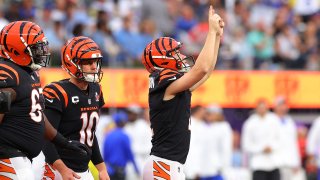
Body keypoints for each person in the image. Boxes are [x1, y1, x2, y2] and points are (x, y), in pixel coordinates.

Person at [141, 5, 224, 179]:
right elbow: (200, 69)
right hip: (162, 166)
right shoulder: (163, 83)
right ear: (163, 60)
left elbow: (207, 72)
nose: (180, 56)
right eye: (175, 53)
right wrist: (210, 32)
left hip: (168, 165)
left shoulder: (172, 85)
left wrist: (216, 36)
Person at [0, 21, 87, 179]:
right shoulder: (7, 73)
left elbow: (38, 115)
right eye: (36, 48)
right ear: (15, 50)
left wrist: (63, 142)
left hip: (22, 160)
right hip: (8, 159)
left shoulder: (29, 72)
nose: (42, 52)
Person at [41, 36, 110, 180]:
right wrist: (62, 170)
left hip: (84, 170)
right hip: (58, 169)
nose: (94, 67)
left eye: (95, 62)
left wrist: (102, 168)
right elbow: (45, 137)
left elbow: (89, 133)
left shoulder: (96, 89)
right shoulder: (58, 92)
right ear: (72, 63)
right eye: (88, 62)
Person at [242, 99, 281, 180]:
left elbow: (280, 139)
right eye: (260, 107)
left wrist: (272, 147)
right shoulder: (250, 123)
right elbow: (246, 144)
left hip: (274, 162)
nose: (262, 109)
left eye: (264, 107)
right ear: (256, 108)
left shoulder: (274, 120)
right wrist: (261, 149)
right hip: (258, 163)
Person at [104, 111, 140, 180]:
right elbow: (129, 154)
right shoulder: (125, 136)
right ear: (124, 122)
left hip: (110, 170)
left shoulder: (108, 136)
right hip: (121, 171)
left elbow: (105, 154)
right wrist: (136, 168)